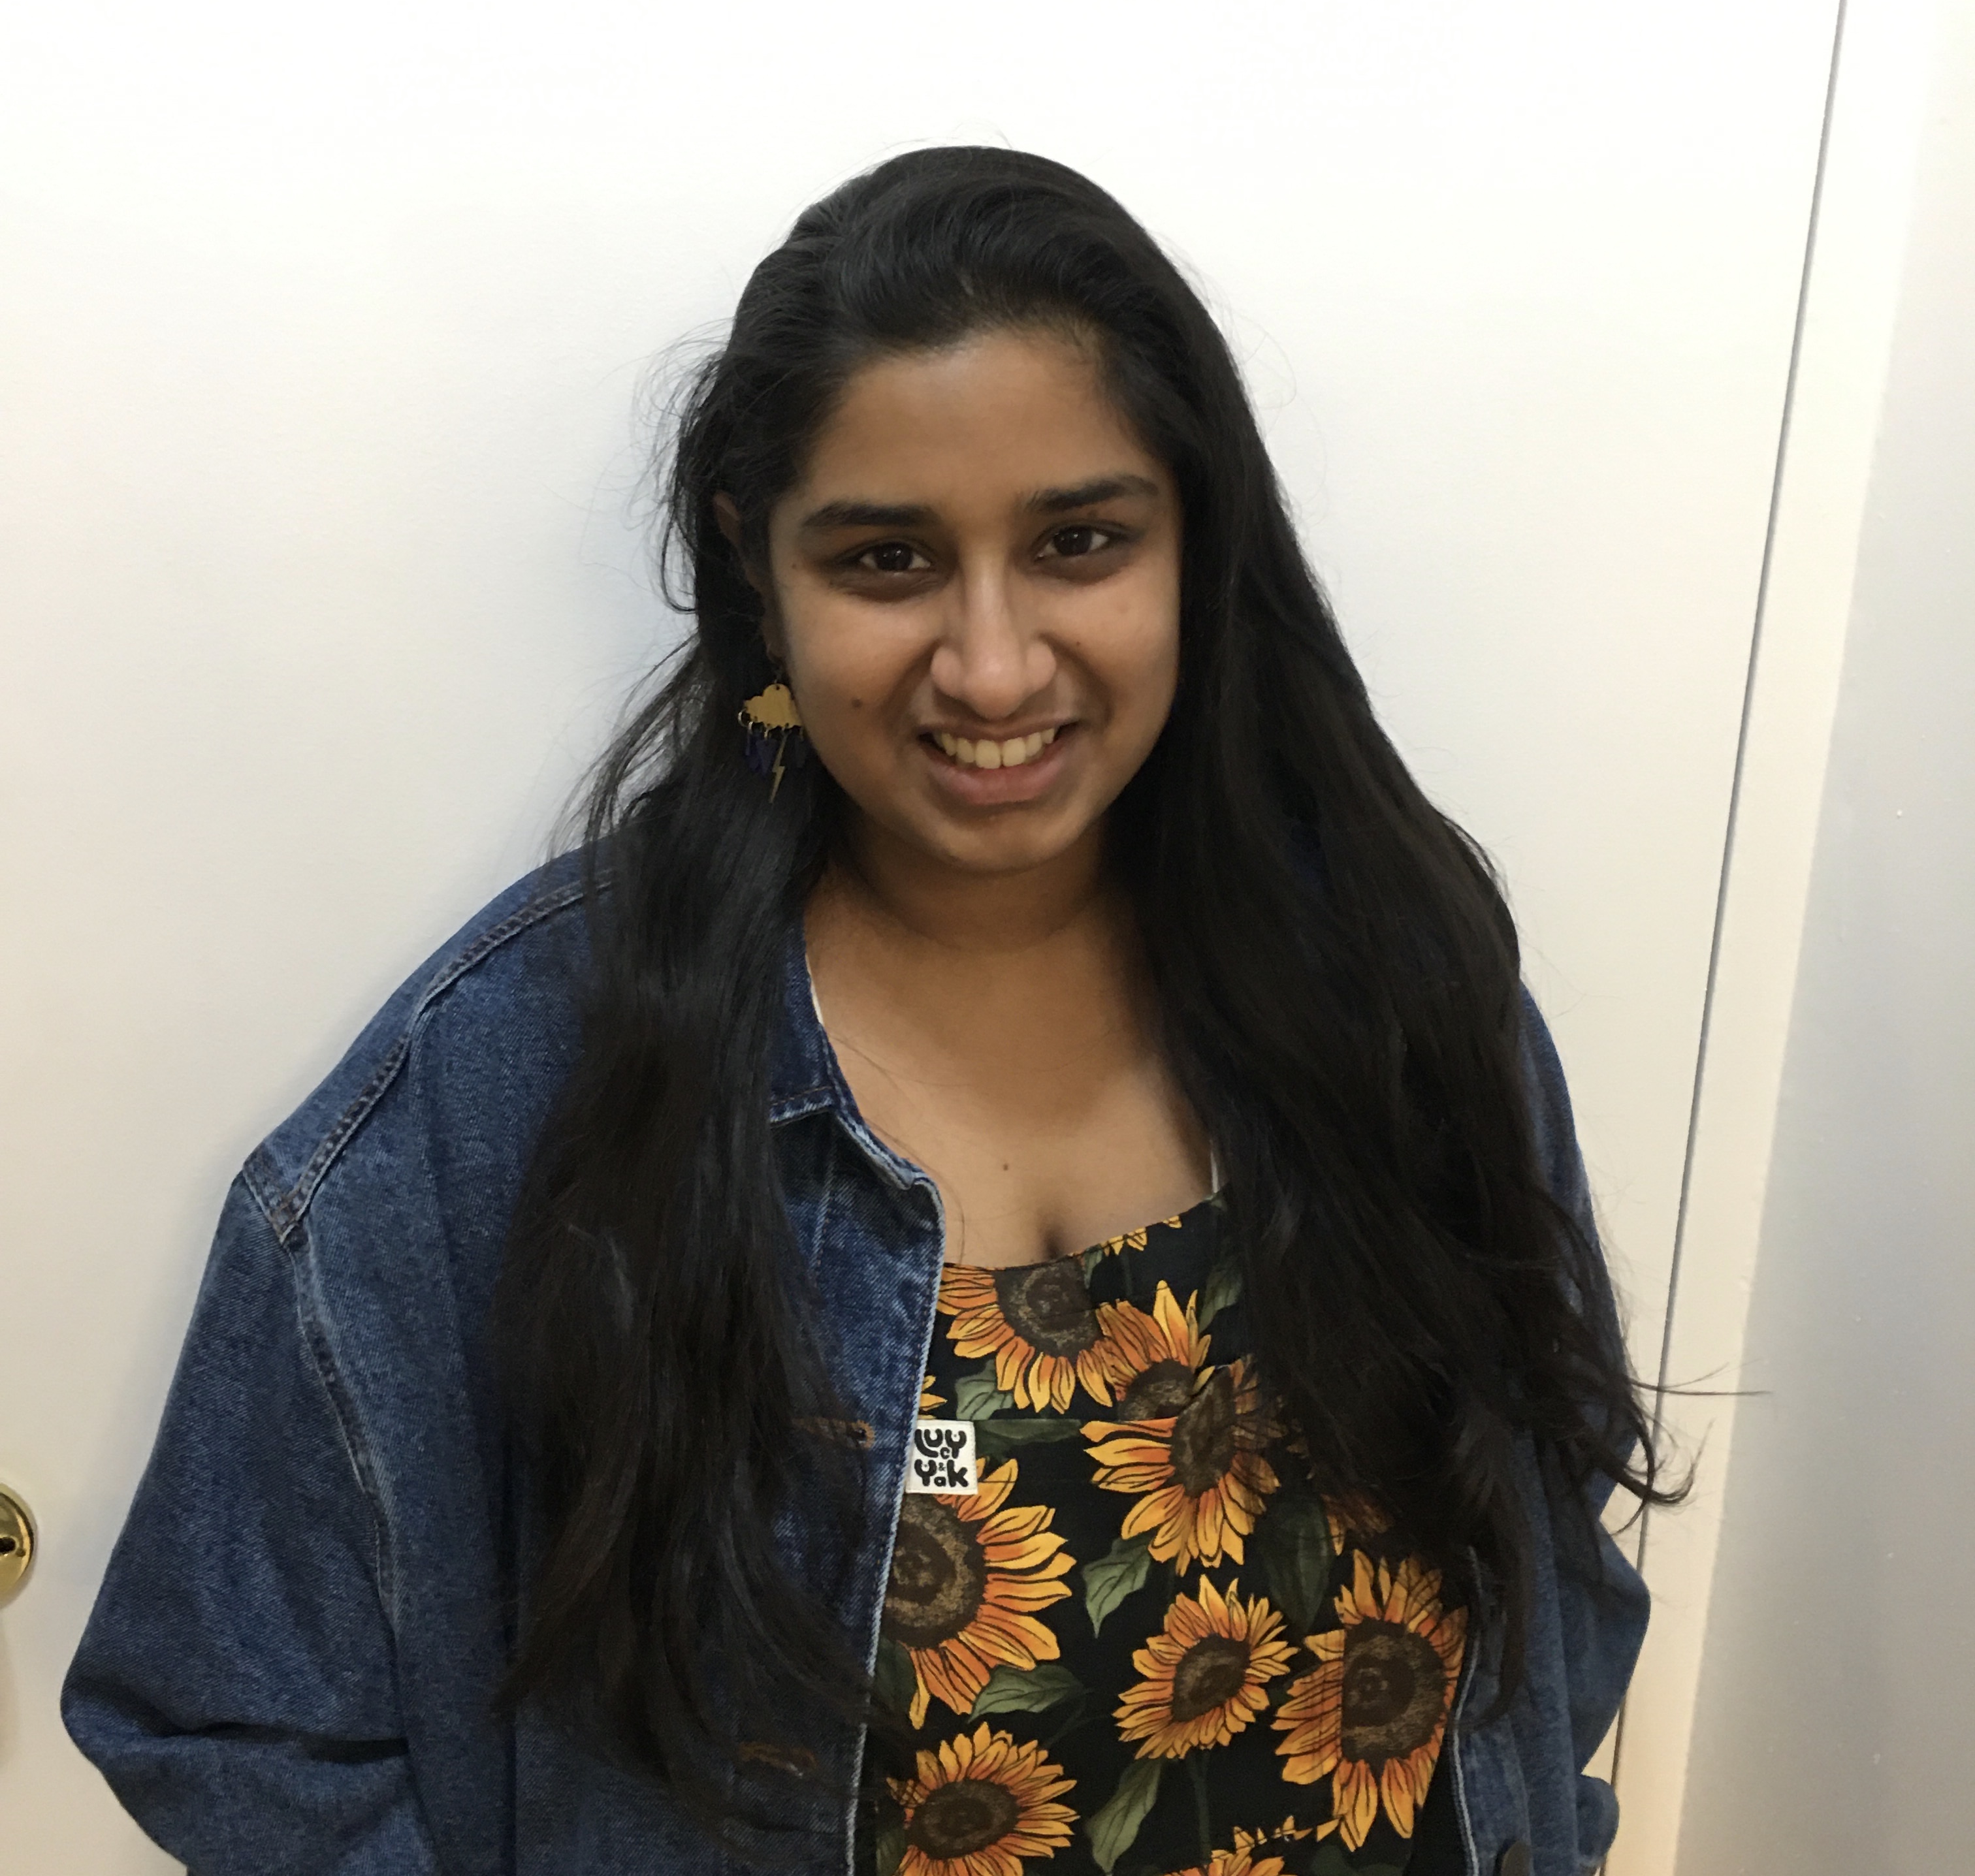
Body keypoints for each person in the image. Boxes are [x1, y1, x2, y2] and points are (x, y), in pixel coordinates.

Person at [64, 147, 1668, 1876]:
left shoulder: (1399, 989)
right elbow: (225, 1711)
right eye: (890, 560)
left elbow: (1548, 1576)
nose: (992, 664)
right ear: (762, 570)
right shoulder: (514, 1093)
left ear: (1195, 537)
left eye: (1079, 541)